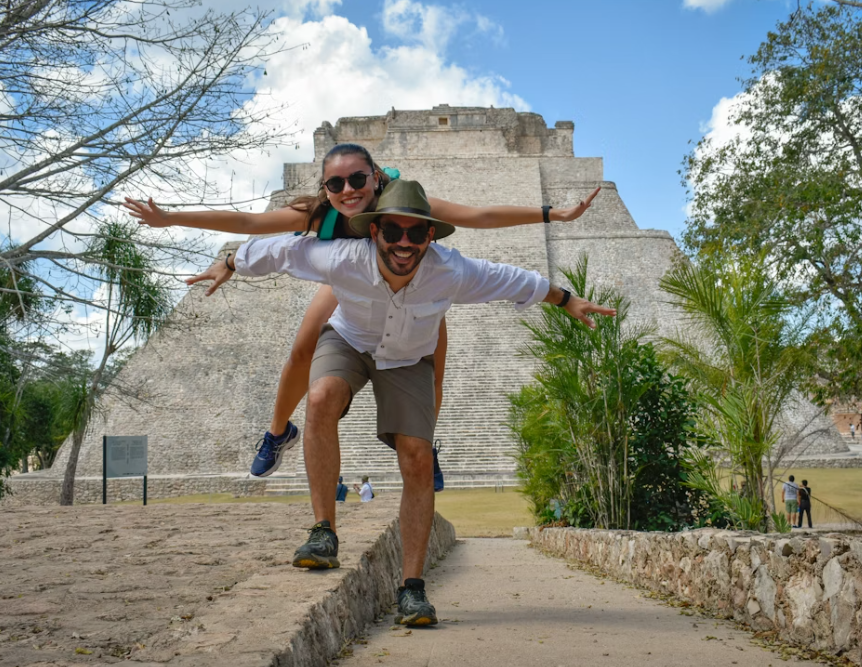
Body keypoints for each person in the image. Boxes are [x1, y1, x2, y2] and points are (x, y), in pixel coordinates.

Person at [189, 178, 616, 627]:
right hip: (350, 340)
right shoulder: (341, 257)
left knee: (417, 459)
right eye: (393, 232)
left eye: (417, 233)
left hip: (408, 357)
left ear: (431, 236)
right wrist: (231, 261)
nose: (405, 243)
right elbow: (282, 251)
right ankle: (323, 532)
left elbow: (512, 279)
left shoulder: (451, 271)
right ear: (374, 232)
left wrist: (567, 300)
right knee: (319, 398)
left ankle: (412, 589)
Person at [124, 143, 600, 478]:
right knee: (302, 349)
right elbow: (250, 223)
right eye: (336, 182)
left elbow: (478, 217)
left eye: (357, 180)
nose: (348, 190)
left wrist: (548, 214)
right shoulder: (319, 215)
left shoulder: (404, 206)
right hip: (346, 278)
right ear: (325, 186)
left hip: (411, 286)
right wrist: (174, 220)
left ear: (376, 178)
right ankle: (277, 432)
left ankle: (425, 445)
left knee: (432, 357)